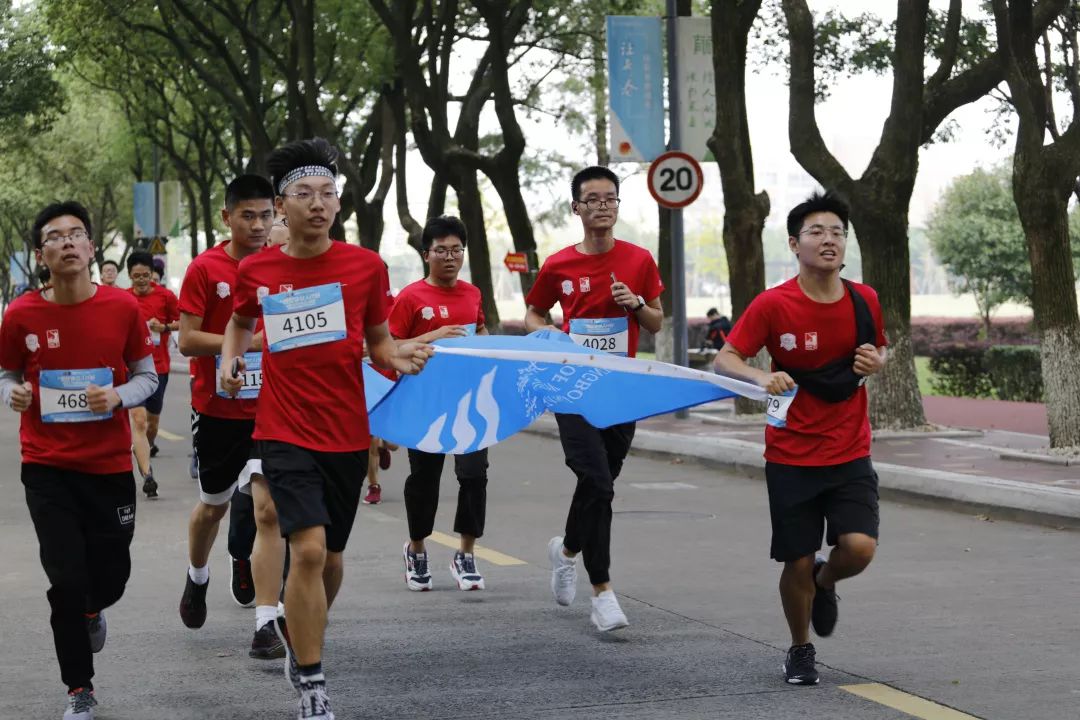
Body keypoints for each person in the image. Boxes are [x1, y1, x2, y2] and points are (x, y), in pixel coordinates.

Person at [220, 137, 433, 720]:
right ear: (281, 208)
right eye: (303, 194)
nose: (317, 204)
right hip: (282, 429)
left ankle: (304, 629)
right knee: (307, 551)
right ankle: (312, 681)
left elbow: (378, 341)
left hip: (345, 433)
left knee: (330, 559)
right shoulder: (257, 269)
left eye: (327, 194)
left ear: (338, 205)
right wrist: (227, 359)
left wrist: (401, 356)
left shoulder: (365, 267)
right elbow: (239, 324)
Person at [713, 191, 887, 686]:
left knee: (859, 548)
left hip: (850, 448)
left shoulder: (865, 300)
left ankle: (826, 581)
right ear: (794, 243)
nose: (828, 240)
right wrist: (759, 376)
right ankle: (800, 647)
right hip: (790, 454)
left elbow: (879, 351)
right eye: (817, 232)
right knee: (797, 557)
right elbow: (726, 359)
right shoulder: (773, 304)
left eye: (837, 232)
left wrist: (879, 362)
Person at [0, 201, 157, 720]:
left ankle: (95, 609)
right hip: (47, 466)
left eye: (76, 235)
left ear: (91, 248)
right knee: (65, 578)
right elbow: (7, 375)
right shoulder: (21, 314)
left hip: (109, 465)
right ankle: (79, 690)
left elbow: (147, 376)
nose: (67, 243)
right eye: (55, 237)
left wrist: (117, 397)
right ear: (41, 255)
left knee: (110, 576)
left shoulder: (122, 309)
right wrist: (15, 394)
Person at [524, 165, 663, 632]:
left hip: (619, 388)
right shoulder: (560, 264)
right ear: (577, 207)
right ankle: (602, 593)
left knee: (599, 484)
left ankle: (565, 552)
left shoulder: (639, 260)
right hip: (572, 388)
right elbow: (534, 311)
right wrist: (547, 335)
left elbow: (657, 322)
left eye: (611, 198)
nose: (603, 206)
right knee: (598, 484)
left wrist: (636, 304)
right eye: (594, 199)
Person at [177, 175, 274, 646]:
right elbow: (186, 340)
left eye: (265, 215)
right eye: (247, 216)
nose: (257, 225)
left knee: (268, 510)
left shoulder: (282, 265)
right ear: (227, 217)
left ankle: (266, 620)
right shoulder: (205, 269)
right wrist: (242, 346)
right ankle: (197, 577)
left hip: (273, 409)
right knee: (212, 509)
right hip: (217, 409)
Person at [389, 215, 491, 592]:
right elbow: (390, 346)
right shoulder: (410, 298)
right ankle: (416, 547)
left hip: (470, 401)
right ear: (425, 254)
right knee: (425, 480)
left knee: (474, 475)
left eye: (456, 250)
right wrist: (435, 335)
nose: (450, 257)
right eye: (442, 251)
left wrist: (485, 343)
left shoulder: (472, 294)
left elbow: (480, 331)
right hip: (425, 402)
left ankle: (465, 553)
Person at [126, 251, 179, 496]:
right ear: (129, 276)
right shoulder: (122, 300)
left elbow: (183, 322)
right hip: (131, 369)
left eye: (145, 275)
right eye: (136, 276)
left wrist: (165, 327)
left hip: (159, 367)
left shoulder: (166, 296)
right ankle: (148, 476)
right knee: (138, 420)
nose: (141, 280)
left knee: (152, 423)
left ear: (153, 274)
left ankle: (146, 445)